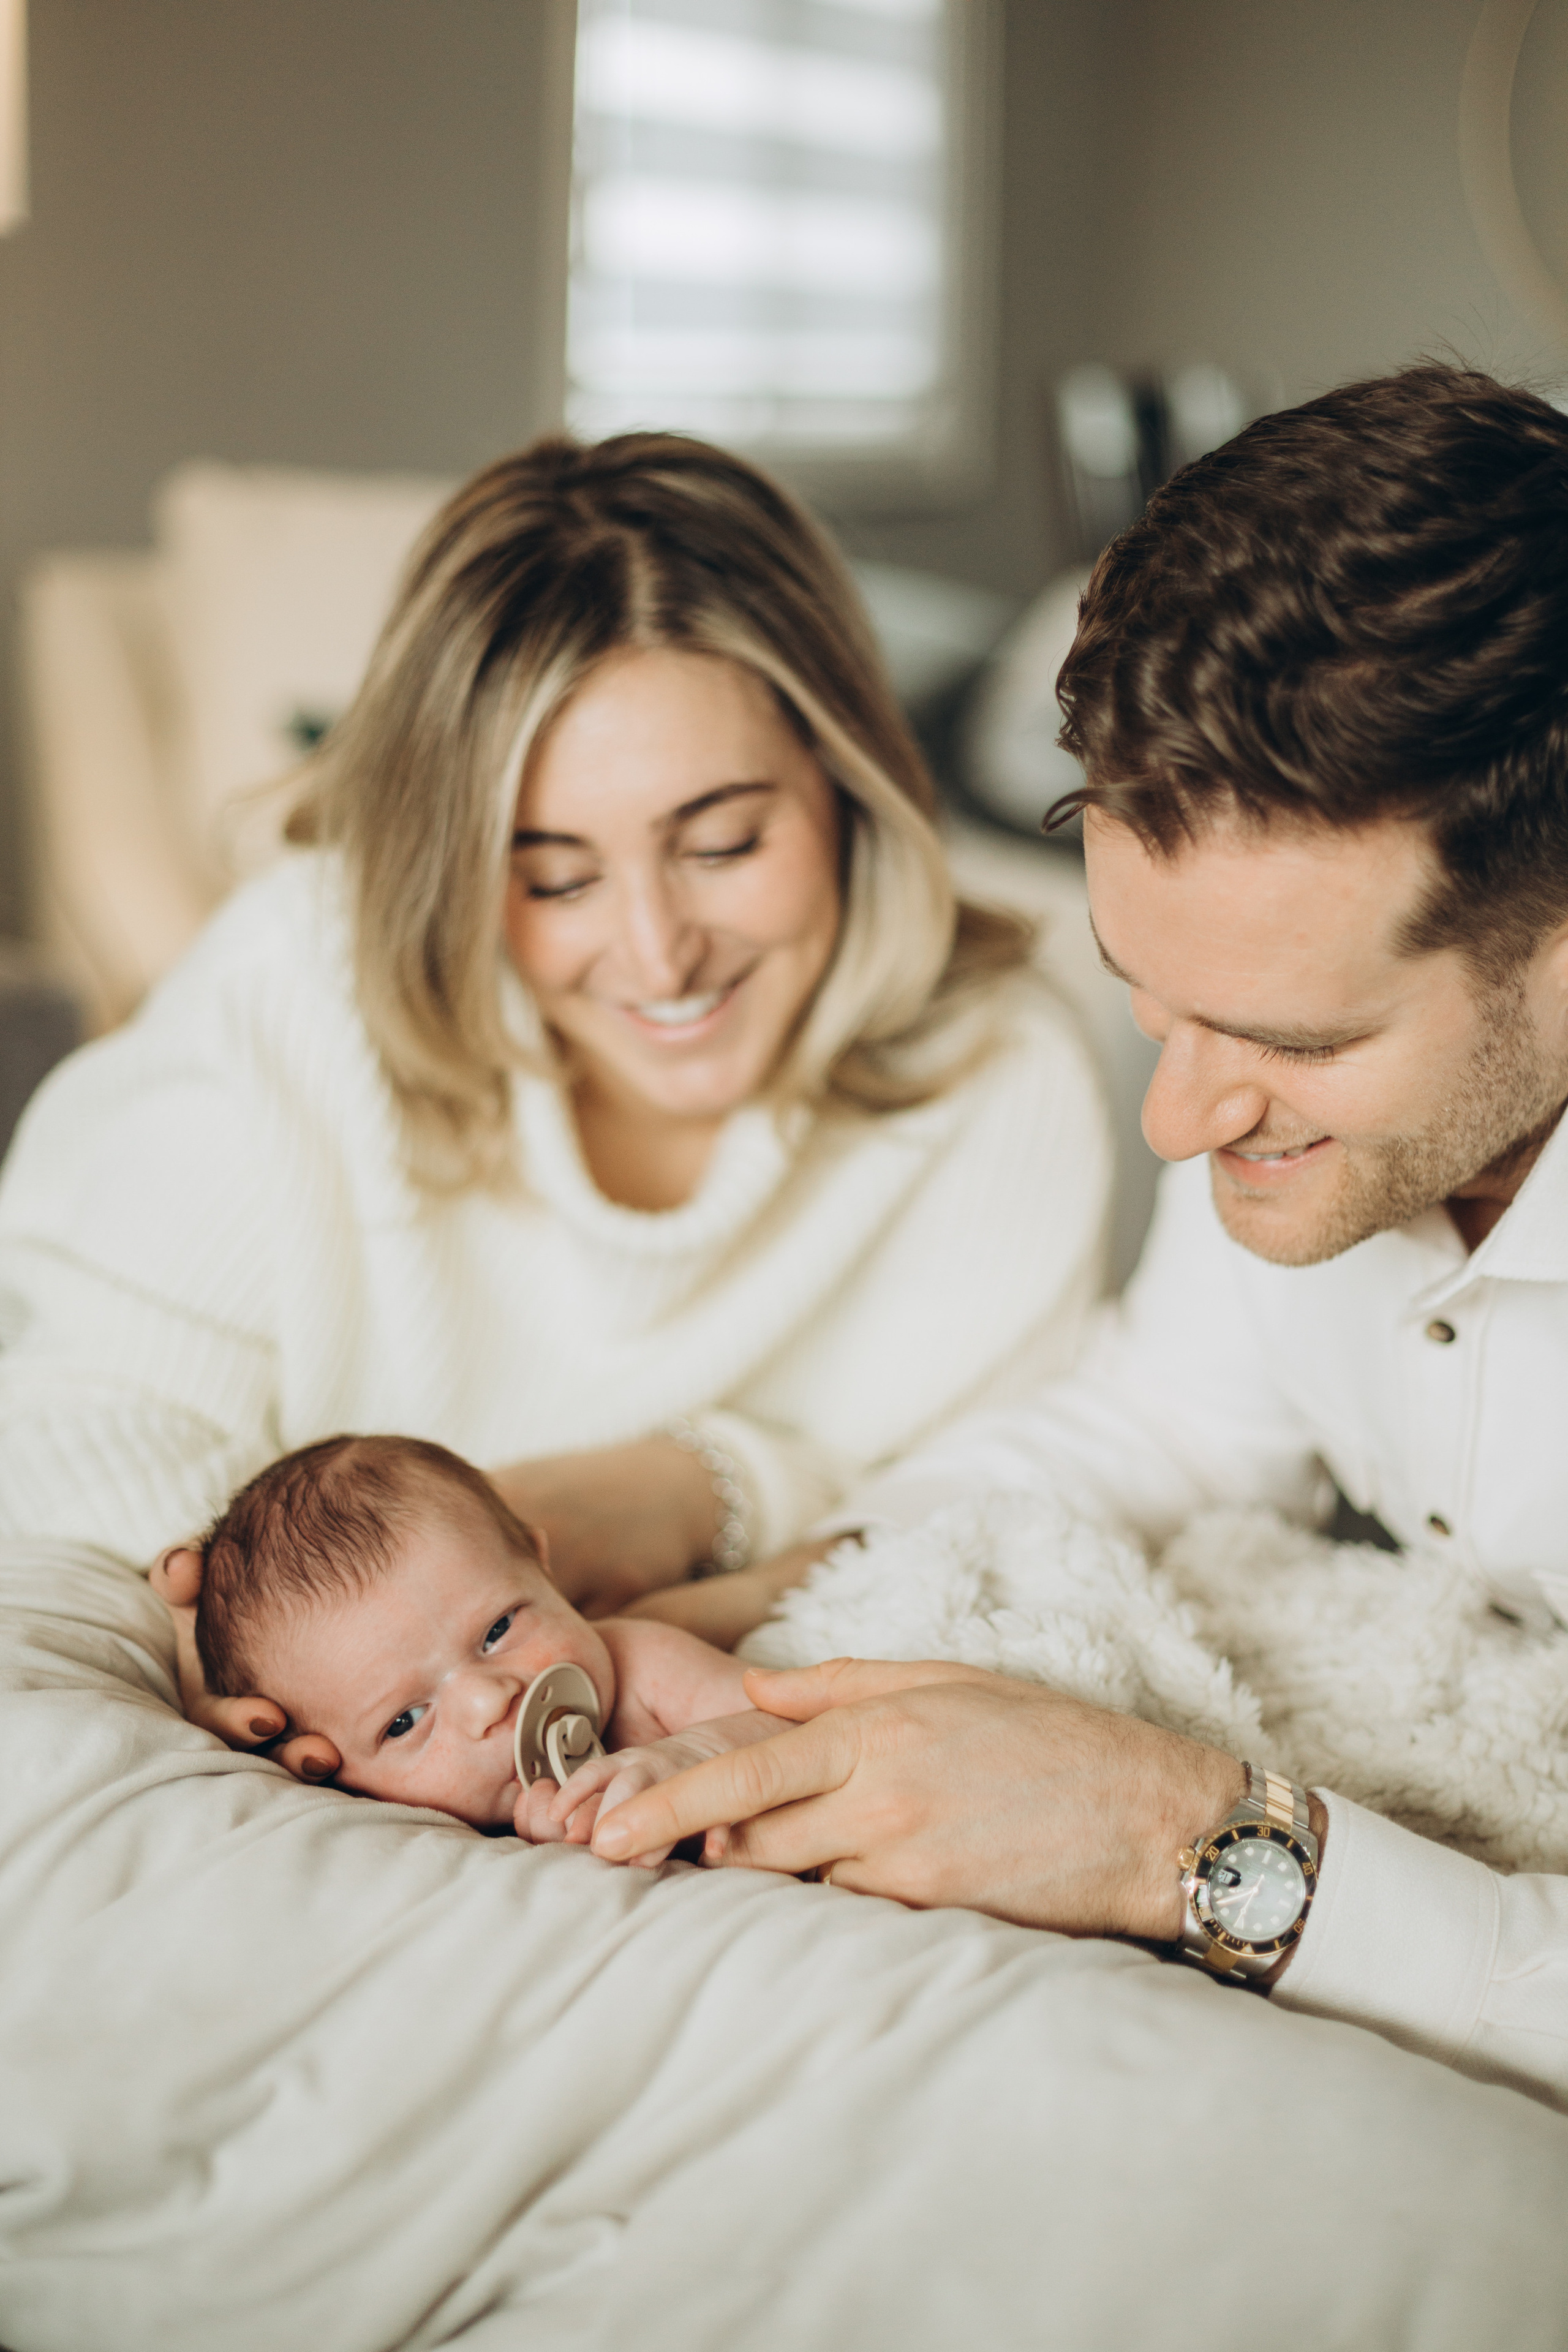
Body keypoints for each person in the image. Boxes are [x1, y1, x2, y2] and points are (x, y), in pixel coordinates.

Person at [589, 367, 1568, 2111]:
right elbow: (1170, 1425)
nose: (1174, 1126)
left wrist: (1180, 1841)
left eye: (1296, 1041)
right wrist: (714, 1619)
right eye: (1148, 1004)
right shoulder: (1272, 1091)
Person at [0, 429, 1109, 1768]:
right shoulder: (297, 987)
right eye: (554, 876)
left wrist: (707, 1496)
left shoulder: (1000, 1082)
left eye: (721, 842)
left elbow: (1017, 1506)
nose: (656, 953)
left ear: (845, 782)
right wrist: (277, 1643)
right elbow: (68, 1414)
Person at [186, 1432, 777, 1857]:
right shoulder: (420, 1846)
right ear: (330, 1773)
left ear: (541, 1566)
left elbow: (792, 1724)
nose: (489, 1702)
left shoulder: (642, 1666)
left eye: (498, 1631)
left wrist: (691, 1757)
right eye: (405, 1721)